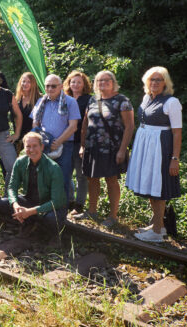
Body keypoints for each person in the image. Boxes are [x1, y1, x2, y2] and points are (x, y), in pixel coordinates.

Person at [126, 67, 182, 242]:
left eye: (159, 80)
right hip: (145, 146)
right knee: (151, 186)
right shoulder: (146, 98)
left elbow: (177, 133)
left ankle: (157, 232)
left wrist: (174, 158)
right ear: (146, 82)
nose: (155, 83)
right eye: (152, 79)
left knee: (158, 187)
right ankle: (159, 225)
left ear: (165, 82)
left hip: (160, 147)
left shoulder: (171, 102)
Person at [77, 70, 134, 228]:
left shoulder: (122, 101)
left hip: (112, 148)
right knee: (92, 178)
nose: (102, 83)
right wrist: (82, 146)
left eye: (106, 80)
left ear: (113, 82)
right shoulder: (93, 100)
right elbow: (84, 124)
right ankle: (92, 211)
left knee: (111, 180)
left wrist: (122, 150)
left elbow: (129, 127)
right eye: (99, 81)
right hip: (92, 147)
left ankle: (112, 216)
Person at [0, 132, 67, 237]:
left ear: (42, 147)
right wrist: (16, 205)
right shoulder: (20, 162)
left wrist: (30, 211)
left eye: (35, 146)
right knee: (3, 204)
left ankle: (55, 237)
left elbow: (56, 202)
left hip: (51, 206)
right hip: (31, 201)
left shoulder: (53, 168)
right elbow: (11, 187)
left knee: (51, 218)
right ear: (24, 147)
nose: (31, 150)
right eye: (28, 146)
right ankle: (28, 224)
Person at [31, 74, 80, 201]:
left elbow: (73, 126)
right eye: (47, 86)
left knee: (62, 178)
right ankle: (47, 208)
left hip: (64, 145)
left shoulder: (70, 102)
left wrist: (58, 142)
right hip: (45, 146)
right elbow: (35, 124)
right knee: (44, 178)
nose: (50, 89)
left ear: (61, 86)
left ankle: (61, 213)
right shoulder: (40, 102)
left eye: (53, 86)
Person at [64, 70, 92, 214]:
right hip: (66, 140)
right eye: (73, 81)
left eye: (79, 82)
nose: (75, 84)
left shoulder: (88, 99)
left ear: (84, 84)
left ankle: (79, 205)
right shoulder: (64, 98)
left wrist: (84, 144)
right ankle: (69, 201)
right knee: (66, 172)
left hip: (80, 142)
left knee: (81, 175)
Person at [14, 72, 39, 151]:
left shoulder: (39, 99)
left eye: (29, 82)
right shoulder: (16, 100)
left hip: (33, 139)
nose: (25, 84)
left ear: (33, 84)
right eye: (23, 81)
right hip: (18, 137)